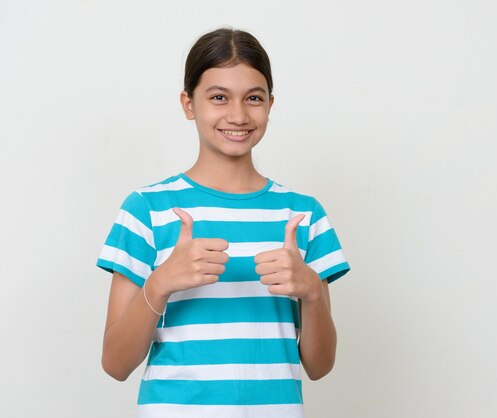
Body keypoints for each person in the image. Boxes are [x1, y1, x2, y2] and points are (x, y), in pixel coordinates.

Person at [95, 27, 351, 418]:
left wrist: (313, 293)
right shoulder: (146, 208)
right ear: (188, 104)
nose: (238, 115)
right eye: (218, 97)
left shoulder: (302, 214)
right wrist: (161, 282)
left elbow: (320, 366)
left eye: (253, 98)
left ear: (270, 104)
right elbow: (115, 364)